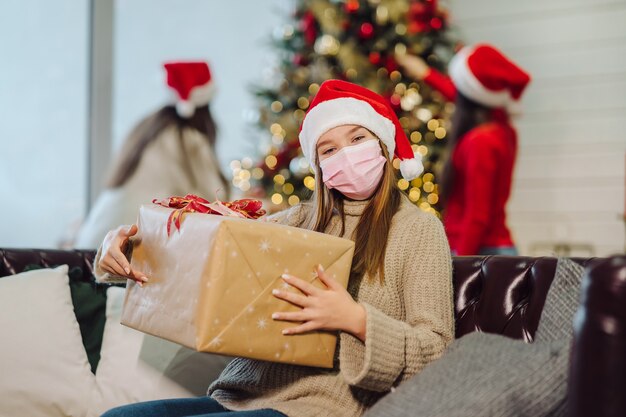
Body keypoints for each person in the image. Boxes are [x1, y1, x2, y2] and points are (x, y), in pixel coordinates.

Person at [94, 79, 454, 417]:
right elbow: (203, 257)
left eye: (357, 138)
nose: (346, 154)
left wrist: (357, 321)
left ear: (382, 143)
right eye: (329, 149)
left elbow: (437, 353)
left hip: (318, 406)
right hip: (239, 395)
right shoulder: (298, 219)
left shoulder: (418, 230)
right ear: (320, 166)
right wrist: (123, 250)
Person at [74, 61, 229, 249]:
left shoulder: (149, 128)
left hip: (95, 241)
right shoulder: (187, 139)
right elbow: (215, 200)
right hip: (120, 251)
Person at [397, 44, 531, 255]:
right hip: (494, 249)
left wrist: (461, 263)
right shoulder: (502, 128)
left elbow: (478, 216)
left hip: (479, 252)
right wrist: (426, 73)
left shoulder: (480, 142)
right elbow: (467, 97)